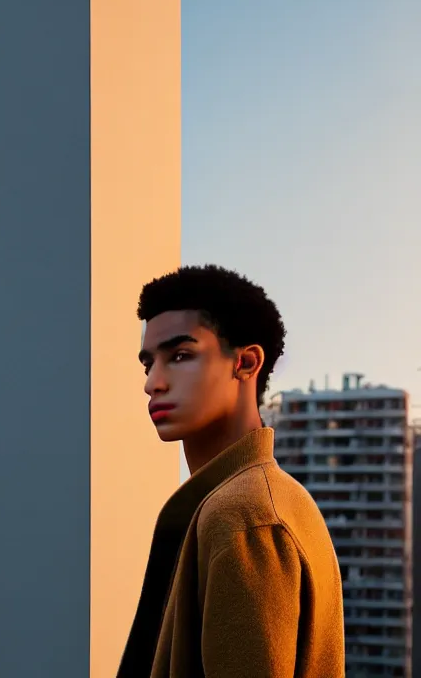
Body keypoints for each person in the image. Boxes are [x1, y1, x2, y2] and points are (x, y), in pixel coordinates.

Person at [117, 264, 345, 678]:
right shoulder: (266, 498)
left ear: (245, 362)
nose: (153, 382)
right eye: (148, 364)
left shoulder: (245, 517)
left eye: (180, 356)